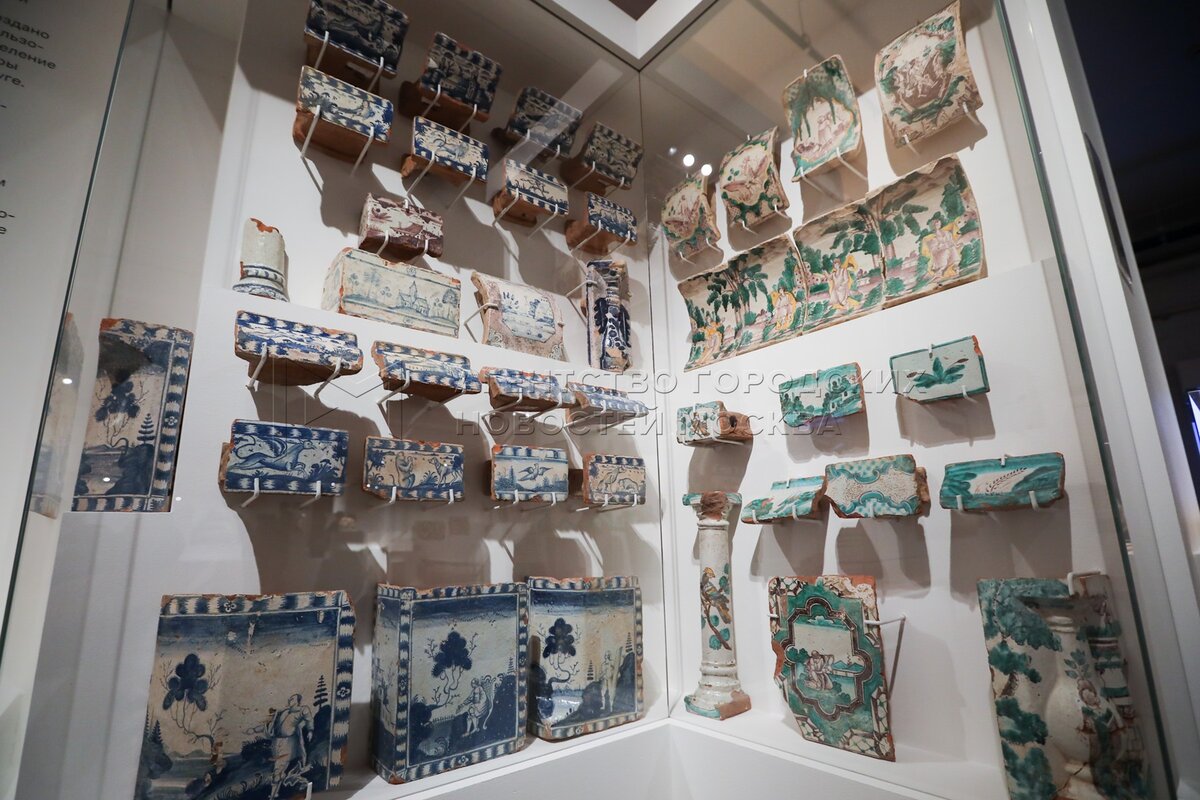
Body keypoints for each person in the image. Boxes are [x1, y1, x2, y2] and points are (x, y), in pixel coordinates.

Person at [268, 693, 313, 800]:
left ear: (298, 701)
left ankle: (273, 795)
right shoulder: (285, 711)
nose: (289, 700)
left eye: (292, 699)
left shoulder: (302, 710)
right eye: (289, 698)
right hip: (277, 742)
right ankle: (277, 792)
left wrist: (310, 730)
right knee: (278, 768)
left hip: (288, 743)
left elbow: (308, 718)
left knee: (278, 769)